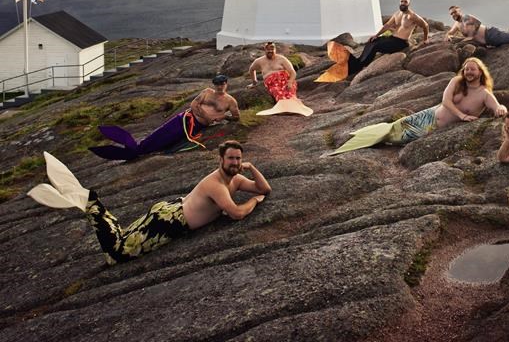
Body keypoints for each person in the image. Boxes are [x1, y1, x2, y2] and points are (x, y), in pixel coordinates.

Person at [28, 140, 272, 264]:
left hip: (170, 210)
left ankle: (86, 199)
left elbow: (265, 188)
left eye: (239, 159)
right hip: (169, 222)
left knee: (122, 237)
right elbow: (237, 213)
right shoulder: (216, 184)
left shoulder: (237, 177)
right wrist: (254, 202)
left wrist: (252, 168)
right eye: (231, 158)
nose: (235, 163)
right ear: (220, 159)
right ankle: (91, 203)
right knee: (117, 254)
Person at [330, 58, 506, 154]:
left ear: (480, 72)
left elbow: (498, 106)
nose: (468, 72)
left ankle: (361, 140)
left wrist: (501, 110)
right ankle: (357, 136)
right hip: (428, 115)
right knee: (394, 127)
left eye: (472, 69)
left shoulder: (484, 94)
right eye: (466, 69)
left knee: (396, 139)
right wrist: (462, 116)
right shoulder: (456, 81)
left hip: (433, 127)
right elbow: (446, 101)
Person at [90, 74, 240, 161]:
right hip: (186, 117)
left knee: (168, 141)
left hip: (196, 127)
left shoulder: (230, 101)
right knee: (160, 133)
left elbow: (236, 117)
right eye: (217, 84)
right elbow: (194, 104)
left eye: (221, 84)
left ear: (226, 84)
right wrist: (205, 116)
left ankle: (137, 152)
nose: (219, 86)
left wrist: (224, 118)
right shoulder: (207, 92)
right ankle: (135, 148)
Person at [326, 0, 430, 81]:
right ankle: (358, 61)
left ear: (408, 4)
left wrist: (425, 39)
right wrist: (376, 35)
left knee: (376, 46)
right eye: (402, 1)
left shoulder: (412, 16)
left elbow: (425, 25)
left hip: (401, 42)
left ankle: (360, 65)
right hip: (392, 38)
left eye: (405, 2)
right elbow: (387, 26)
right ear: (399, 2)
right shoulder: (397, 14)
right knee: (372, 41)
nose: (403, 3)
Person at [249, 42, 312, 116]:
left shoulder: (282, 59)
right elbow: (251, 69)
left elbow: (293, 72)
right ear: (265, 50)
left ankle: (293, 108)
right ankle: (286, 109)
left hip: (285, 79)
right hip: (272, 83)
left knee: (289, 94)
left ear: (275, 49)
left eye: (272, 49)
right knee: (278, 92)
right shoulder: (259, 61)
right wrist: (254, 82)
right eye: (268, 49)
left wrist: (290, 82)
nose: (270, 51)